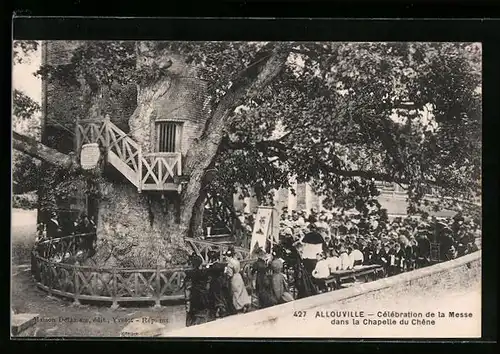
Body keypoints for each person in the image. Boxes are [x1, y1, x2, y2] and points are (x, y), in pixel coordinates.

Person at [185, 254, 211, 326]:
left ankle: (192, 323)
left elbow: (187, 275)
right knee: (203, 309)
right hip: (203, 293)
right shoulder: (204, 272)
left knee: (193, 310)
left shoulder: (191, 273)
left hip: (195, 294)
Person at [225, 247, 251, 313]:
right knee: (241, 291)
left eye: (226, 257)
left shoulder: (229, 263)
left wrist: (226, 276)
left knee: (235, 292)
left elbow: (230, 274)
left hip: (234, 278)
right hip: (239, 276)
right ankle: (245, 303)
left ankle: (239, 306)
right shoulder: (236, 261)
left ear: (229, 256)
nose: (226, 258)